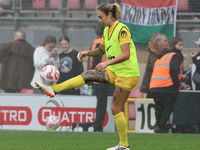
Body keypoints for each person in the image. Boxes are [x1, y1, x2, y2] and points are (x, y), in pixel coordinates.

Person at [35, 3, 140, 150]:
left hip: (128, 74)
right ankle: (54, 89)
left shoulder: (122, 29)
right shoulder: (106, 31)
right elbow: (100, 51)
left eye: (101, 17)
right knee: (87, 74)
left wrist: (106, 63)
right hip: (116, 71)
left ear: (110, 15)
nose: (99, 20)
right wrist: (87, 53)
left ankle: (124, 145)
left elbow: (126, 54)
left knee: (115, 109)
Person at [149, 37, 184, 133]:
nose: (181, 47)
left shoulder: (161, 57)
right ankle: (161, 126)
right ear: (174, 46)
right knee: (169, 107)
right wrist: (177, 83)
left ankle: (159, 126)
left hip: (155, 85)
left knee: (159, 107)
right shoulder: (175, 56)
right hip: (167, 85)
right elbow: (174, 71)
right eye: (179, 45)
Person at [89, 23, 109, 132]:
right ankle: (98, 125)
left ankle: (98, 124)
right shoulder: (102, 43)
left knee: (101, 103)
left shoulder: (95, 42)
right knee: (102, 104)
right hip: (102, 79)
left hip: (97, 78)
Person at [140, 33, 168, 98]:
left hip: (161, 85)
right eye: (165, 41)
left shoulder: (167, 52)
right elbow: (155, 67)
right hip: (154, 85)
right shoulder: (154, 54)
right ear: (158, 42)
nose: (167, 43)